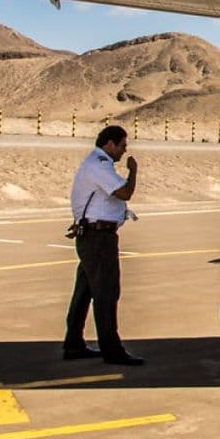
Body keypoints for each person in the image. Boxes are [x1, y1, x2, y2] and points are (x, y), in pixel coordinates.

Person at [62, 125, 144, 366]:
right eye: (122, 146)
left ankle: (74, 343)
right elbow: (124, 192)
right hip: (98, 238)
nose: (124, 150)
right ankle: (112, 348)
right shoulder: (99, 165)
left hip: (92, 235)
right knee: (106, 293)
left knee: (85, 292)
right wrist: (133, 172)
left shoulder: (96, 164)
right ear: (109, 144)